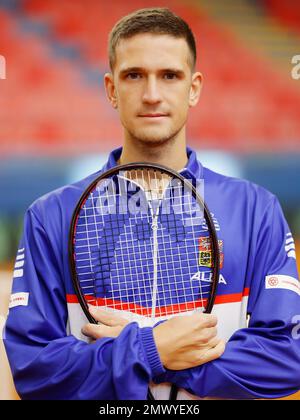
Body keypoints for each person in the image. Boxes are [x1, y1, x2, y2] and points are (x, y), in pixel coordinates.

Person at [4, 7, 300, 400]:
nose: (152, 94)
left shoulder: (256, 210)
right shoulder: (49, 216)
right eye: (134, 75)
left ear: (193, 88)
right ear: (111, 89)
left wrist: (148, 355)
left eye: (170, 76)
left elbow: (288, 355)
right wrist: (154, 348)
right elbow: (33, 368)